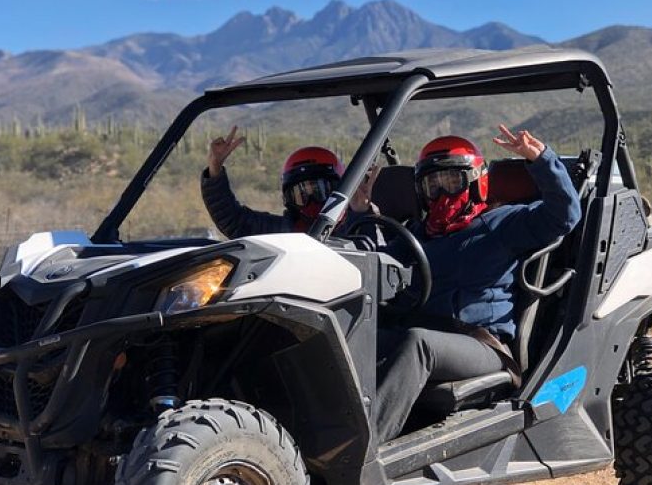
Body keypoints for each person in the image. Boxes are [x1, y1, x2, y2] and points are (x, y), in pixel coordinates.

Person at [374, 125, 582, 443]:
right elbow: (377, 264)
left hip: (483, 345)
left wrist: (541, 160)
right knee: (358, 334)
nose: (443, 194)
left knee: (419, 343)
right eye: (433, 185)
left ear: (474, 182)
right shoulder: (415, 235)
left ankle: (365, 450)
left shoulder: (503, 222)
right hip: (424, 332)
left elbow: (564, 215)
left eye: (452, 182)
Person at [201, 126, 378, 238]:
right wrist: (215, 169)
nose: (311, 200)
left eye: (319, 190)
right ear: (289, 199)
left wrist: (362, 212)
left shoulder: (356, 225)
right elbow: (234, 221)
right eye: (301, 194)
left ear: (337, 190)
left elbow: (372, 252)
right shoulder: (283, 231)